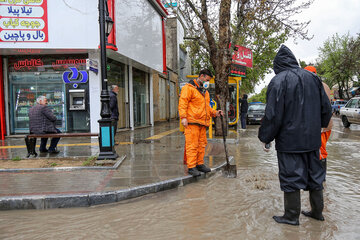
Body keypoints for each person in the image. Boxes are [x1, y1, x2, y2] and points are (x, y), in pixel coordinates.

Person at [258, 45, 332, 225]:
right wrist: (320, 126)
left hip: (289, 143)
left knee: (291, 177)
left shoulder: (278, 81)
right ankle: (317, 213)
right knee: (315, 177)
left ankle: (291, 216)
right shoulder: (313, 78)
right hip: (313, 141)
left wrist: (265, 137)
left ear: (278, 65)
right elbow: (326, 108)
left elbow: (272, 115)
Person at [178, 69, 224, 177]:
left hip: (202, 123)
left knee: (201, 145)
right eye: (206, 80)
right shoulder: (188, 88)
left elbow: (206, 108)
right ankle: (191, 167)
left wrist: (215, 112)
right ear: (201, 76)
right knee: (192, 145)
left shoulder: (205, 92)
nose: (207, 82)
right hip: (192, 122)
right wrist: (183, 117)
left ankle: (199, 164)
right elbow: (182, 103)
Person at [304, 66, 333, 180]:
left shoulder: (314, 85)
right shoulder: (324, 85)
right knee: (320, 150)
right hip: (326, 126)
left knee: (320, 152)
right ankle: (319, 179)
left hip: (320, 126)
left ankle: (320, 181)